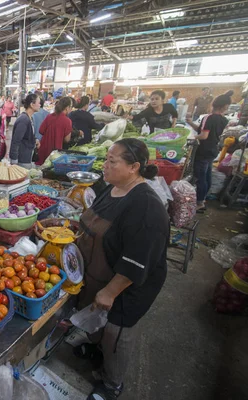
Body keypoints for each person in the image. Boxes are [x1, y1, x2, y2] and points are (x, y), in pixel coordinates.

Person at [76, 138, 169, 400]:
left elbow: (137, 261)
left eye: (111, 161)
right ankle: (98, 353)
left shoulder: (146, 207)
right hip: (101, 270)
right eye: (105, 158)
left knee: (117, 330)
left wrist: (110, 291)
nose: (104, 165)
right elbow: (93, 218)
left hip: (129, 284)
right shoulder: (113, 187)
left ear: (134, 167)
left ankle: (112, 384)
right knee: (97, 318)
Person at [186, 92, 232, 212]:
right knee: (207, 175)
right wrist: (190, 122)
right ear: (225, 106)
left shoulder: (208, 117)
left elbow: (204, 135)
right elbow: (204, 130)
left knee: (200, 177)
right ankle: (204, 198)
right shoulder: (224, 120)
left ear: (214, 104)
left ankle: (199, 203)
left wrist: (192, 138)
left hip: (203, 150)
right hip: (213, 150)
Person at [37, 97, 73, 165]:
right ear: (67, 107)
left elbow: (41, 131)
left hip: (43, 150)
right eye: (71, 107)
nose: (71, 109)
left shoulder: (49, 116)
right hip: (55, 153)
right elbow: (67, 140)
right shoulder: (67, 121)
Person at [10, 93, 41, 169]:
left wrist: (35, 140)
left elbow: (27, 136)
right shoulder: (24, 120)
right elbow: (16, 141)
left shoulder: (30, 118)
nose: (40, 105)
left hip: (27, 157)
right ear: (32, 104)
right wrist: (14, 160)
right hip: (22, 160)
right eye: (38, 103)